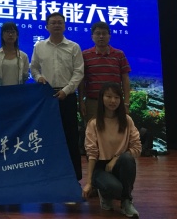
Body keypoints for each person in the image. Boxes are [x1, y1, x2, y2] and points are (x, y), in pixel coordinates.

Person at [30, 12, 84, 180]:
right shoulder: (39, 46)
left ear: (65, 26)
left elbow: (79, 72)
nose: (56, 25)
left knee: (70, 137)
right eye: (53, 23)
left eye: (60, 22)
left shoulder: (73, 47)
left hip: (67, 96)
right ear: (47, 26)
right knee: (47, 136)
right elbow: (34, 68)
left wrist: (66, 90)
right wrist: (39, 77)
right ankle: (47, 175)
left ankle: (74, 177)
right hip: (46, 97)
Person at [82, 82, 141, 218]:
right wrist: (89, 183)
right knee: (115, 188)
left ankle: (126, 202)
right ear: (102, 98)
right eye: (108, 96)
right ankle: (105, 194)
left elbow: (137, 148)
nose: (113, 101)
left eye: (116, 97)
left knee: (127, 159)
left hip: (119, 164)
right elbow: (92, 154)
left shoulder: (127, 120)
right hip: (101, 168)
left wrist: (116, 158)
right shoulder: (94, 123)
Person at [79, 21, 132, 126]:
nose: (101, 36)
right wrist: (81, 101)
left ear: (109, 36)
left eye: (104, 33)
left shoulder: (119, 54)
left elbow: (125, 79)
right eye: (98, 33)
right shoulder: (85, 55)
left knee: (115, 130)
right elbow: (81, 80)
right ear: (92, 37)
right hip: (93, 102)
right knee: (93, 131)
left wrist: (126, 103)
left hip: (114, 102)